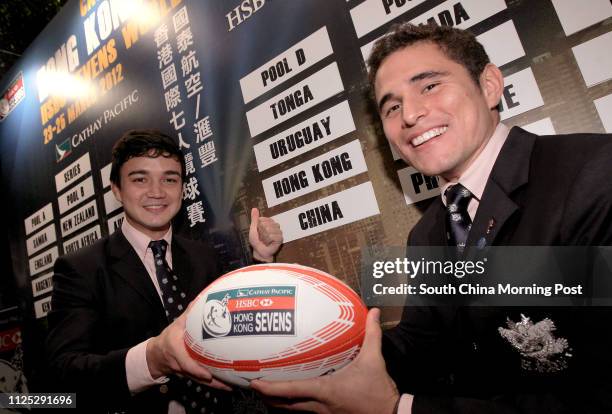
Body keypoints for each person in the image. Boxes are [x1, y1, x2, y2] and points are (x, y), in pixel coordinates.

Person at [252, 23, 612, 413]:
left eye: (429, 86)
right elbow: (422, 343)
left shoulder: (595, 174)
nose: (409, 114)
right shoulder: (426, 234)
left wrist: (398, 409)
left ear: (490, 84)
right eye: (391, 107)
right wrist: (300, 346)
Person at [46, 129, 283, 413]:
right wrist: (153, 359)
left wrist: (262, 258)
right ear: (117, 189)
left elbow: (238, 325)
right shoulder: (81, 269)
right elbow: (63, 374)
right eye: (140, 179)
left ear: (183, 188)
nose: (156, 192)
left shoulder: (203, 256)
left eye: (169, 179)